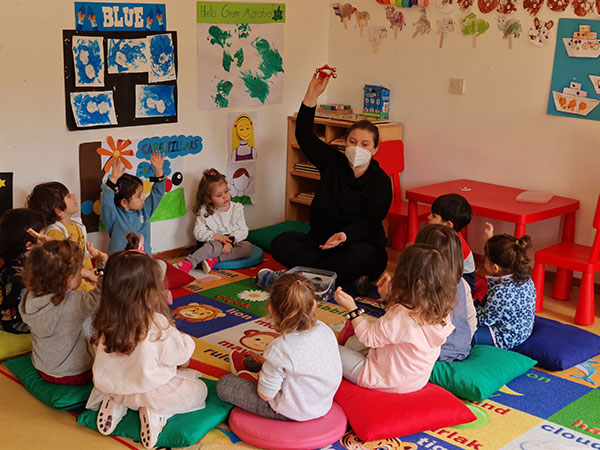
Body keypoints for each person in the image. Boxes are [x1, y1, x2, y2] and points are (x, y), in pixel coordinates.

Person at [270, 74, 392, 291]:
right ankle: (327, 279)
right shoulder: (332, 162)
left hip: (356, 246)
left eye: (365, 144)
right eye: (353, 142)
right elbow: (304, 136)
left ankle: (306, 276)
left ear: (375, 149)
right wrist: (312, 95)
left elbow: (369, 223)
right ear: (345, 143)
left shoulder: (380, 182)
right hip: (321, 244)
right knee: (281, 242)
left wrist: (344, 236)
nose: (358, 148)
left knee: (364, 257)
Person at [86, 248, 207, 449]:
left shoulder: (103, 319)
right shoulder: (156, 324)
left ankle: (116, 404)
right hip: (149, 391)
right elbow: (181, 356)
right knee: (198, 390)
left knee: (124, 380)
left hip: (113, 387)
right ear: (150, 289)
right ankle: (157, 413)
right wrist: (182, 338)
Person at [217, 273, 342, 421]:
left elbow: (266, 395)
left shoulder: (280, 348)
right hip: (322, 402)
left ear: (272, 310)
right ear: (314, 304)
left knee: (225, 384)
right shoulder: (324, 329)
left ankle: (255, 374)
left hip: (291, 410)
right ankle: (263, 369)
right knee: (263, 361)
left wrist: (262, 377)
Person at [334, 245, 455, 394]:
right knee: (352, 342)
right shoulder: (442, 312)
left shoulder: (401, 315)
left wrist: (352, 308)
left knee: (331, 349)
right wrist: (388, 297)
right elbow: (399, 329)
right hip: (415, 380)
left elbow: (368, 337)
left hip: (382, 379)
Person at [19, 240, 106, 384]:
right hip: (76, 373)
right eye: (79, 271)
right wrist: (103, 265)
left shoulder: (30, 295)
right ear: (68, 279)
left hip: (44, 368)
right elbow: (104, 293)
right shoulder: (74, 302)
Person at [415, 224, 476, 362]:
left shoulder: (420, 285)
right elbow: (471, 320)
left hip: (432, 352)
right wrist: (465, 341)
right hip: (462, 348)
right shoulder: (462, 283)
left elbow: (405, 322)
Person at [473, 223, 536, 350]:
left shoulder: (501, 292)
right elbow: (497, 252)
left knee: (463, 334)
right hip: (523, 327)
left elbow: (485, 320)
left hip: (506, 336)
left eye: (485, 259)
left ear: (496, 268)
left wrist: (466, 314)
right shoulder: (523, 277)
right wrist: (489, 238)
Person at [176, 168, 252, 274]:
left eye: (226, 191)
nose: (225, 196)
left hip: (232, 241)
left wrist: (231, 242)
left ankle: (214, 259)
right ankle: (189, 263)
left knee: (247, 247)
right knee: (214, 246)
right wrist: (217, 237)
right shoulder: (205, 211)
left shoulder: (237, 209)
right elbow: (198, 232)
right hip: (213, 242)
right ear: (209, 199)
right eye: (219, 195)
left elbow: (243, 230)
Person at [26, 182, 97, 291]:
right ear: (59, 210)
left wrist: (91, 274)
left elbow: (84, 255)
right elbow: (63, 266)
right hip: (74, 284)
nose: (74, 196)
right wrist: (87, 275)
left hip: (86, 278)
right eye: (68, 196)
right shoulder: (55, 232)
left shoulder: (78, 225)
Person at [100, 151, 166, 254]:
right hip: (121, 262)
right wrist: (113, 179)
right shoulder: (113, 216)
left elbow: (158, 192)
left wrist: (158, 170)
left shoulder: (145, 210)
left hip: (143, 260)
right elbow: (106, 202)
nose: (144, 198)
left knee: (160, 263)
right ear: (124, 202)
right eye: (138, 196)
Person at [0, 208, 45, 333]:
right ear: (29, 245)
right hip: (17, 323)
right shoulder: (16, 274)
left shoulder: (10, 257)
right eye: (43, 235)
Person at [428, 193, 476, 293]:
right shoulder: (445, 234)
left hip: (464, 279)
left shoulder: (453, 244)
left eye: (434, 216)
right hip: (451, 272)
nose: (429, 217)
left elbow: (446, 270)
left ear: (448, 224)